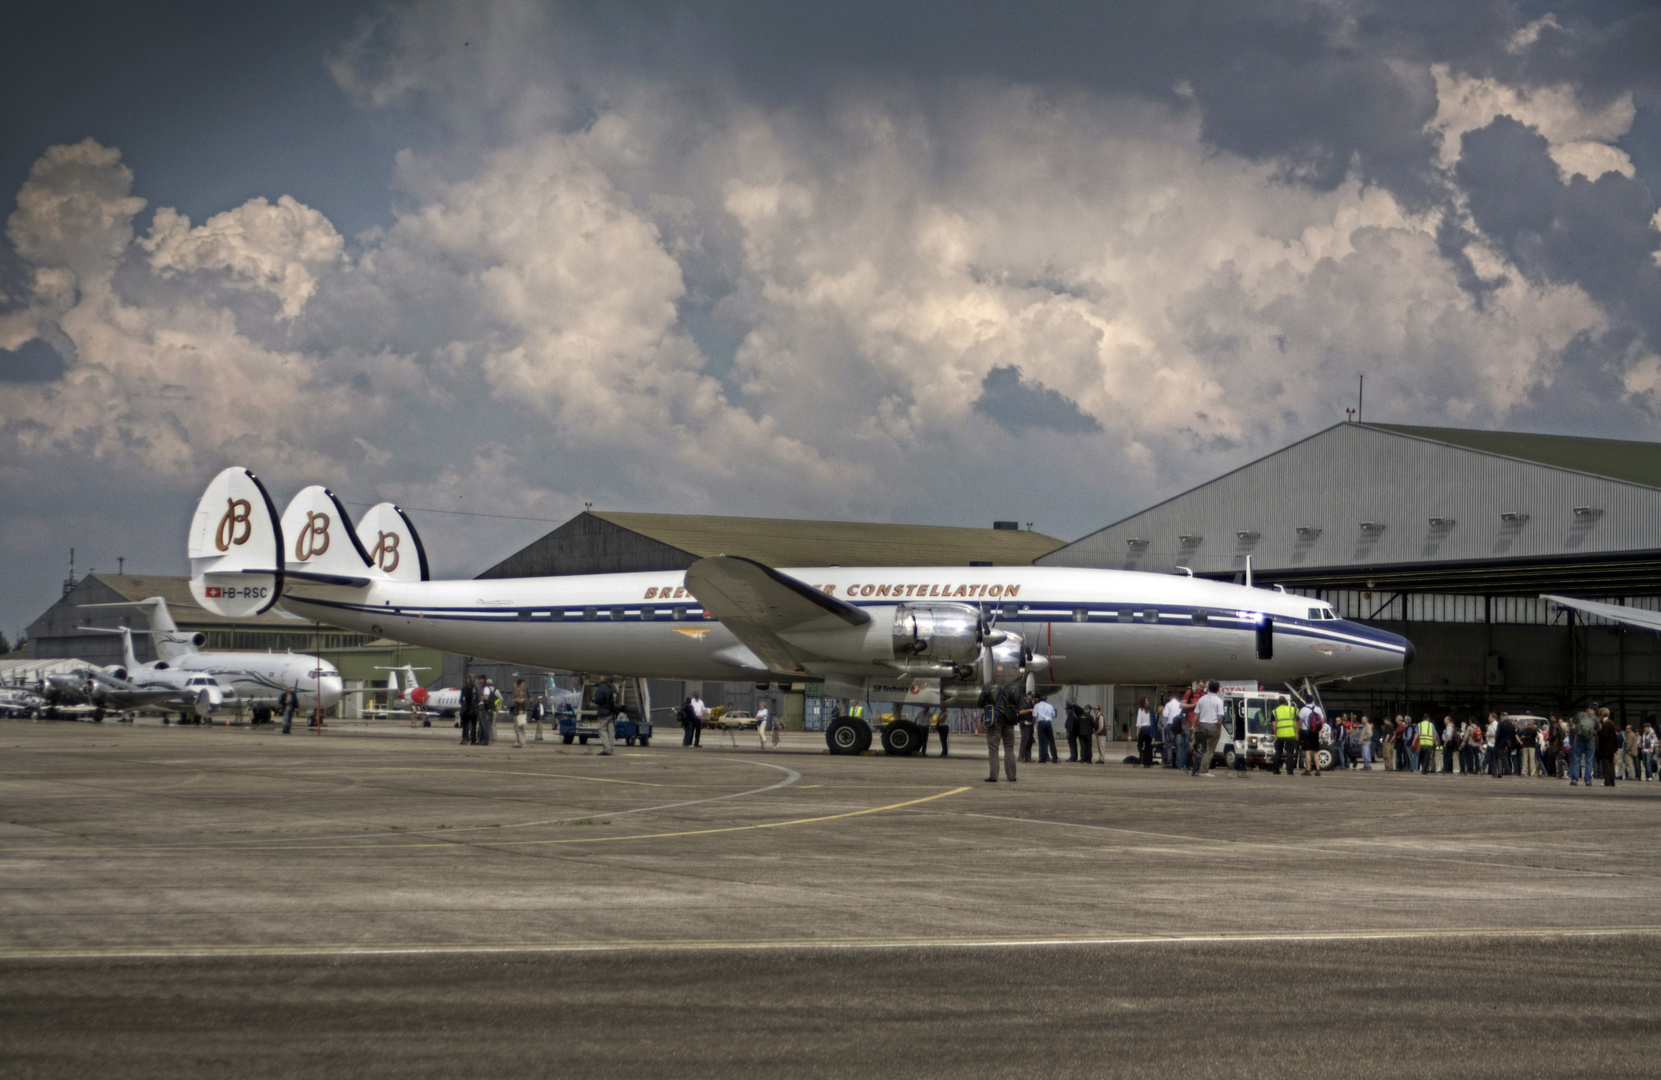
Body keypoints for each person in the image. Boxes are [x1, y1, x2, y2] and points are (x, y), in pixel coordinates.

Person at [986, 682, 1020, 782]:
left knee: (993, 749)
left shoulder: (989, 687)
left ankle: (993, 776)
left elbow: (980, 702)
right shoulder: (1013, 688)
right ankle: (1011, 776)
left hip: (995, 720)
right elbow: (1018, 701)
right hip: (1009, 721)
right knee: (1009, 748)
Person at [1190, 681, 1225, 777]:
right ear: (1218, 689)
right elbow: (1220, 717)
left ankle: (1196, 769)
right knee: (1210, 750)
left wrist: (1193, 726)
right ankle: (1204, 770)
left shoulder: (1202, 699)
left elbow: (1196, 714)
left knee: (1202, 749)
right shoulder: (1219, 701)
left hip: (1202, 726)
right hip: (1213, 726)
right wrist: (1219, 727)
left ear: (1207, 688)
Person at [1569, 705, 1597, 786]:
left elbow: (1573, 723)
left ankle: (1574, 779)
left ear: (1587, 709)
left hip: (1579, 740)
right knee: (1589, 760)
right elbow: (1598, 728)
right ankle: (1588, 780)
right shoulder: (1595, 718)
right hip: (1591, 741)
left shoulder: (1579, 714)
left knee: (1577, 759)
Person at [1271, 696, 1298, 776]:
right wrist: (1296, 733)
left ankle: (1276, 770)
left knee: (1278, 752)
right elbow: (1296, 722)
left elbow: (1273, 724)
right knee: (1290, 753)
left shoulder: (1274, 711)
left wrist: (1274, 734)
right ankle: (1289, 771)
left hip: (1279, 734)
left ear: (1278, 702)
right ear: (1286, 702)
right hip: (1290, 734)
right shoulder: (1292, 709)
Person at [1161, 693, 1188, 771]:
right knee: (1179, 745)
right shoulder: (1180, 704)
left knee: (1169, 743)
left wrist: (1164, 726)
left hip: (1171, 725)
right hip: (1180, 725)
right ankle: (1179, 764)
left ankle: (1169, 761)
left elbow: (1165, 715)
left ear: (1170, 697)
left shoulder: (1168, 704)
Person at [592, 676, 618, 756]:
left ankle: (607, 749)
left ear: (603, 678)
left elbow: (598, 699)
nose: (599, 678)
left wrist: (594, 700)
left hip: (604, 712)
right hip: (611, 712)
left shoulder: (602, 687)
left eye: (600, 677)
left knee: (602, 730)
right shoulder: (611, 686)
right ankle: (611, 748)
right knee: (611, 731)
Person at [1596, 708, 1619, 787]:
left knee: (1606, 765)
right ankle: (1612, 781)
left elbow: (1604, 736)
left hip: (1606, 748)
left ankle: (1607, 781)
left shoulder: (1605, 724)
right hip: (1611, 748)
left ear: (1601, 715)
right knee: (1611, 764)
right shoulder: (1611, 723)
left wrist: (1599, 730)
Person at [1033, 694, 1058, 763]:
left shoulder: (1037, 706)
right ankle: (1055, 758)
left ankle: (1042, 758)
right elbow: (1053, 715)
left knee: (1042, 742)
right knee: (1051, 741)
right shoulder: (1049, 705)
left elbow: (1034, 715)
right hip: (1048, 723)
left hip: (1041, 723)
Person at [460, 675, 482, 745]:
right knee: (474, 725)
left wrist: (463, 706)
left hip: (466, 709)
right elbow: (478, 699)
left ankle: (465, 739)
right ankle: (473, 740)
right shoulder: (476, 688)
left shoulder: (464, 689)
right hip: (475, 709)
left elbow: (460, 700)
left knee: (465, 725)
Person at [1134, 696, 1155, 768]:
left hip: (1143, 729)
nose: (1148, 702)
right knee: (1148, 746)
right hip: (1149, 729)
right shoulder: (1150, 710)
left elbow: (1138, 721)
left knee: (1140, 745)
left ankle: (1142, 756)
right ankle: (1148, 761)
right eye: (1147, 701)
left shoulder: (1140, 710)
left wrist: (1137, 731)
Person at [478, 677, 498, 746]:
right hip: (483, 708)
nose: (478, 680)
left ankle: (485, 740)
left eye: (480, 679)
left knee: (485, 725)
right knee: (482, 725)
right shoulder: (482, 687)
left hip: (485, 708)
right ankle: (481, 740)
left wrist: (480, 697)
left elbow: (485, 697)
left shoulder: (486, 688)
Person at [510, 678, 529, 748]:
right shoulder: (516, 692)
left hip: (521, 711)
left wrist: (522, 700)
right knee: (516, 727)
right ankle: (519, 741)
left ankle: (521, 742)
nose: (524, 685)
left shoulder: (523, 692)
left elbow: (527, 701)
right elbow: (512, 701)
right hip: (517, 711)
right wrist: (516, 700)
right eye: (522, 684)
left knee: (520, 727)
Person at [1018, 694, 1036, 762]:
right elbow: (1020, 712)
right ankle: (1021, 756)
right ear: (1027, 695)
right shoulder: (1023, 702)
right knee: (1025, 740)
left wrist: (1034, 719)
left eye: (1032, 696)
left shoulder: (1031, 703)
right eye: (1030, 695)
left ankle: (1028, 757)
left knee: (1030, 741)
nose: (1031, 697)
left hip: (1030, 724)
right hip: (1024, 724)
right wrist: (1029, 710)